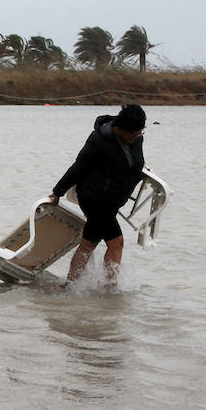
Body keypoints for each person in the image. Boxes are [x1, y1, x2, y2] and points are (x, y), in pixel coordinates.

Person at [46, 104, 147, 286]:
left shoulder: (136, 139)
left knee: (88, 244)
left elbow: (134, 163)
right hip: (95, 199)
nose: (137, 137)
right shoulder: (99, 140)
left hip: (112, 201)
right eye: (133, 134)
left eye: (140, 133)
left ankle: (70, 286)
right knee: (116, 242)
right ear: (121, 128)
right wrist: (57, 192)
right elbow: (78, 167)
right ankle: (110, 290)